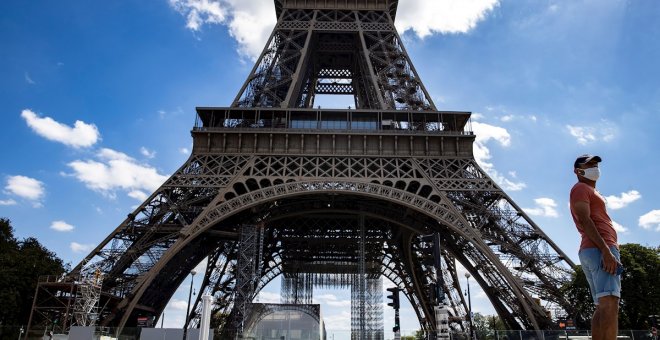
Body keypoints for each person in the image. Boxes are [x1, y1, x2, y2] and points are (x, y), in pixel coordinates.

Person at [569, 154, 622, 340]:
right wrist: (606, 251)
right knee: (610, 303)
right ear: (578, 171)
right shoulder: (581, 188)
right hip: (599, 248)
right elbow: (585, 219)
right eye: (589, 164)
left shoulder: (590, 191)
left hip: (594, 248)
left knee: (602, 304)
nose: (594, 167)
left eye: (595, 164)